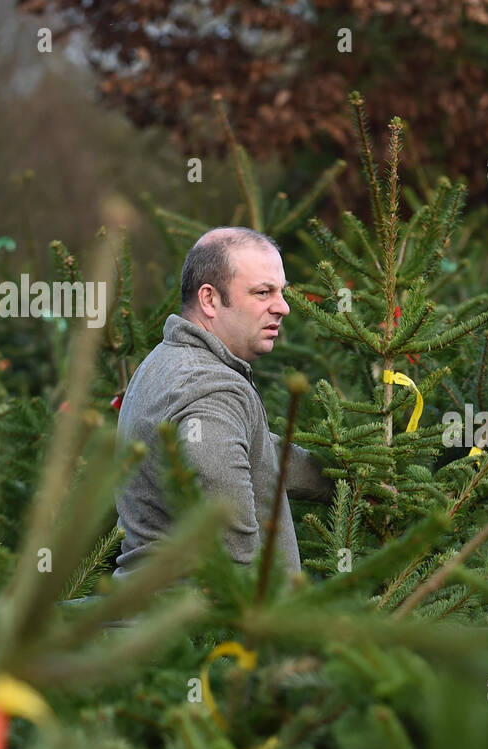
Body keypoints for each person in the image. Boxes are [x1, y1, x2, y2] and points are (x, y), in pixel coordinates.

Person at [113, 226, 334, 579]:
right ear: (209, 299)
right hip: (204, 626)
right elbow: (232, 542)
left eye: (281, 292)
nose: (283, 307)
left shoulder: (164, 361)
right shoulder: (210, 389)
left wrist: (340, 479)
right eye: (263, 293)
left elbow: (249, 451)